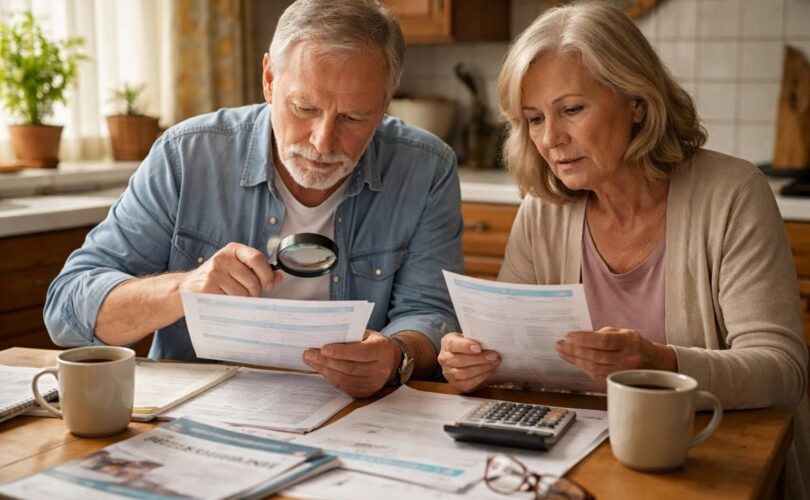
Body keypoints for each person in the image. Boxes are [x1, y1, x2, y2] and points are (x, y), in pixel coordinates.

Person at [436, 3, 809, 498]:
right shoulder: (543, 210)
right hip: (579, 467)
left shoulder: (732, 192)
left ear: (636, 101)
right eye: (534, 118)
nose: (551, 139)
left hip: (709, 466)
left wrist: (659, 361)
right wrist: (471, 361)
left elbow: (782, 371)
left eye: (571, 109)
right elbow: (509, 357)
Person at [44, 0, 463, 399]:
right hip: (196, 407)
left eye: (354, 117)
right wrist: (183, 289)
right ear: (268, 80)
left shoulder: (424, 168)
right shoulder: (187, 155)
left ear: (386, 102)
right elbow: (66, 309)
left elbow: (430, 313)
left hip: (352, 413)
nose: (322, 141)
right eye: (304, 108)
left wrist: (396, 356)